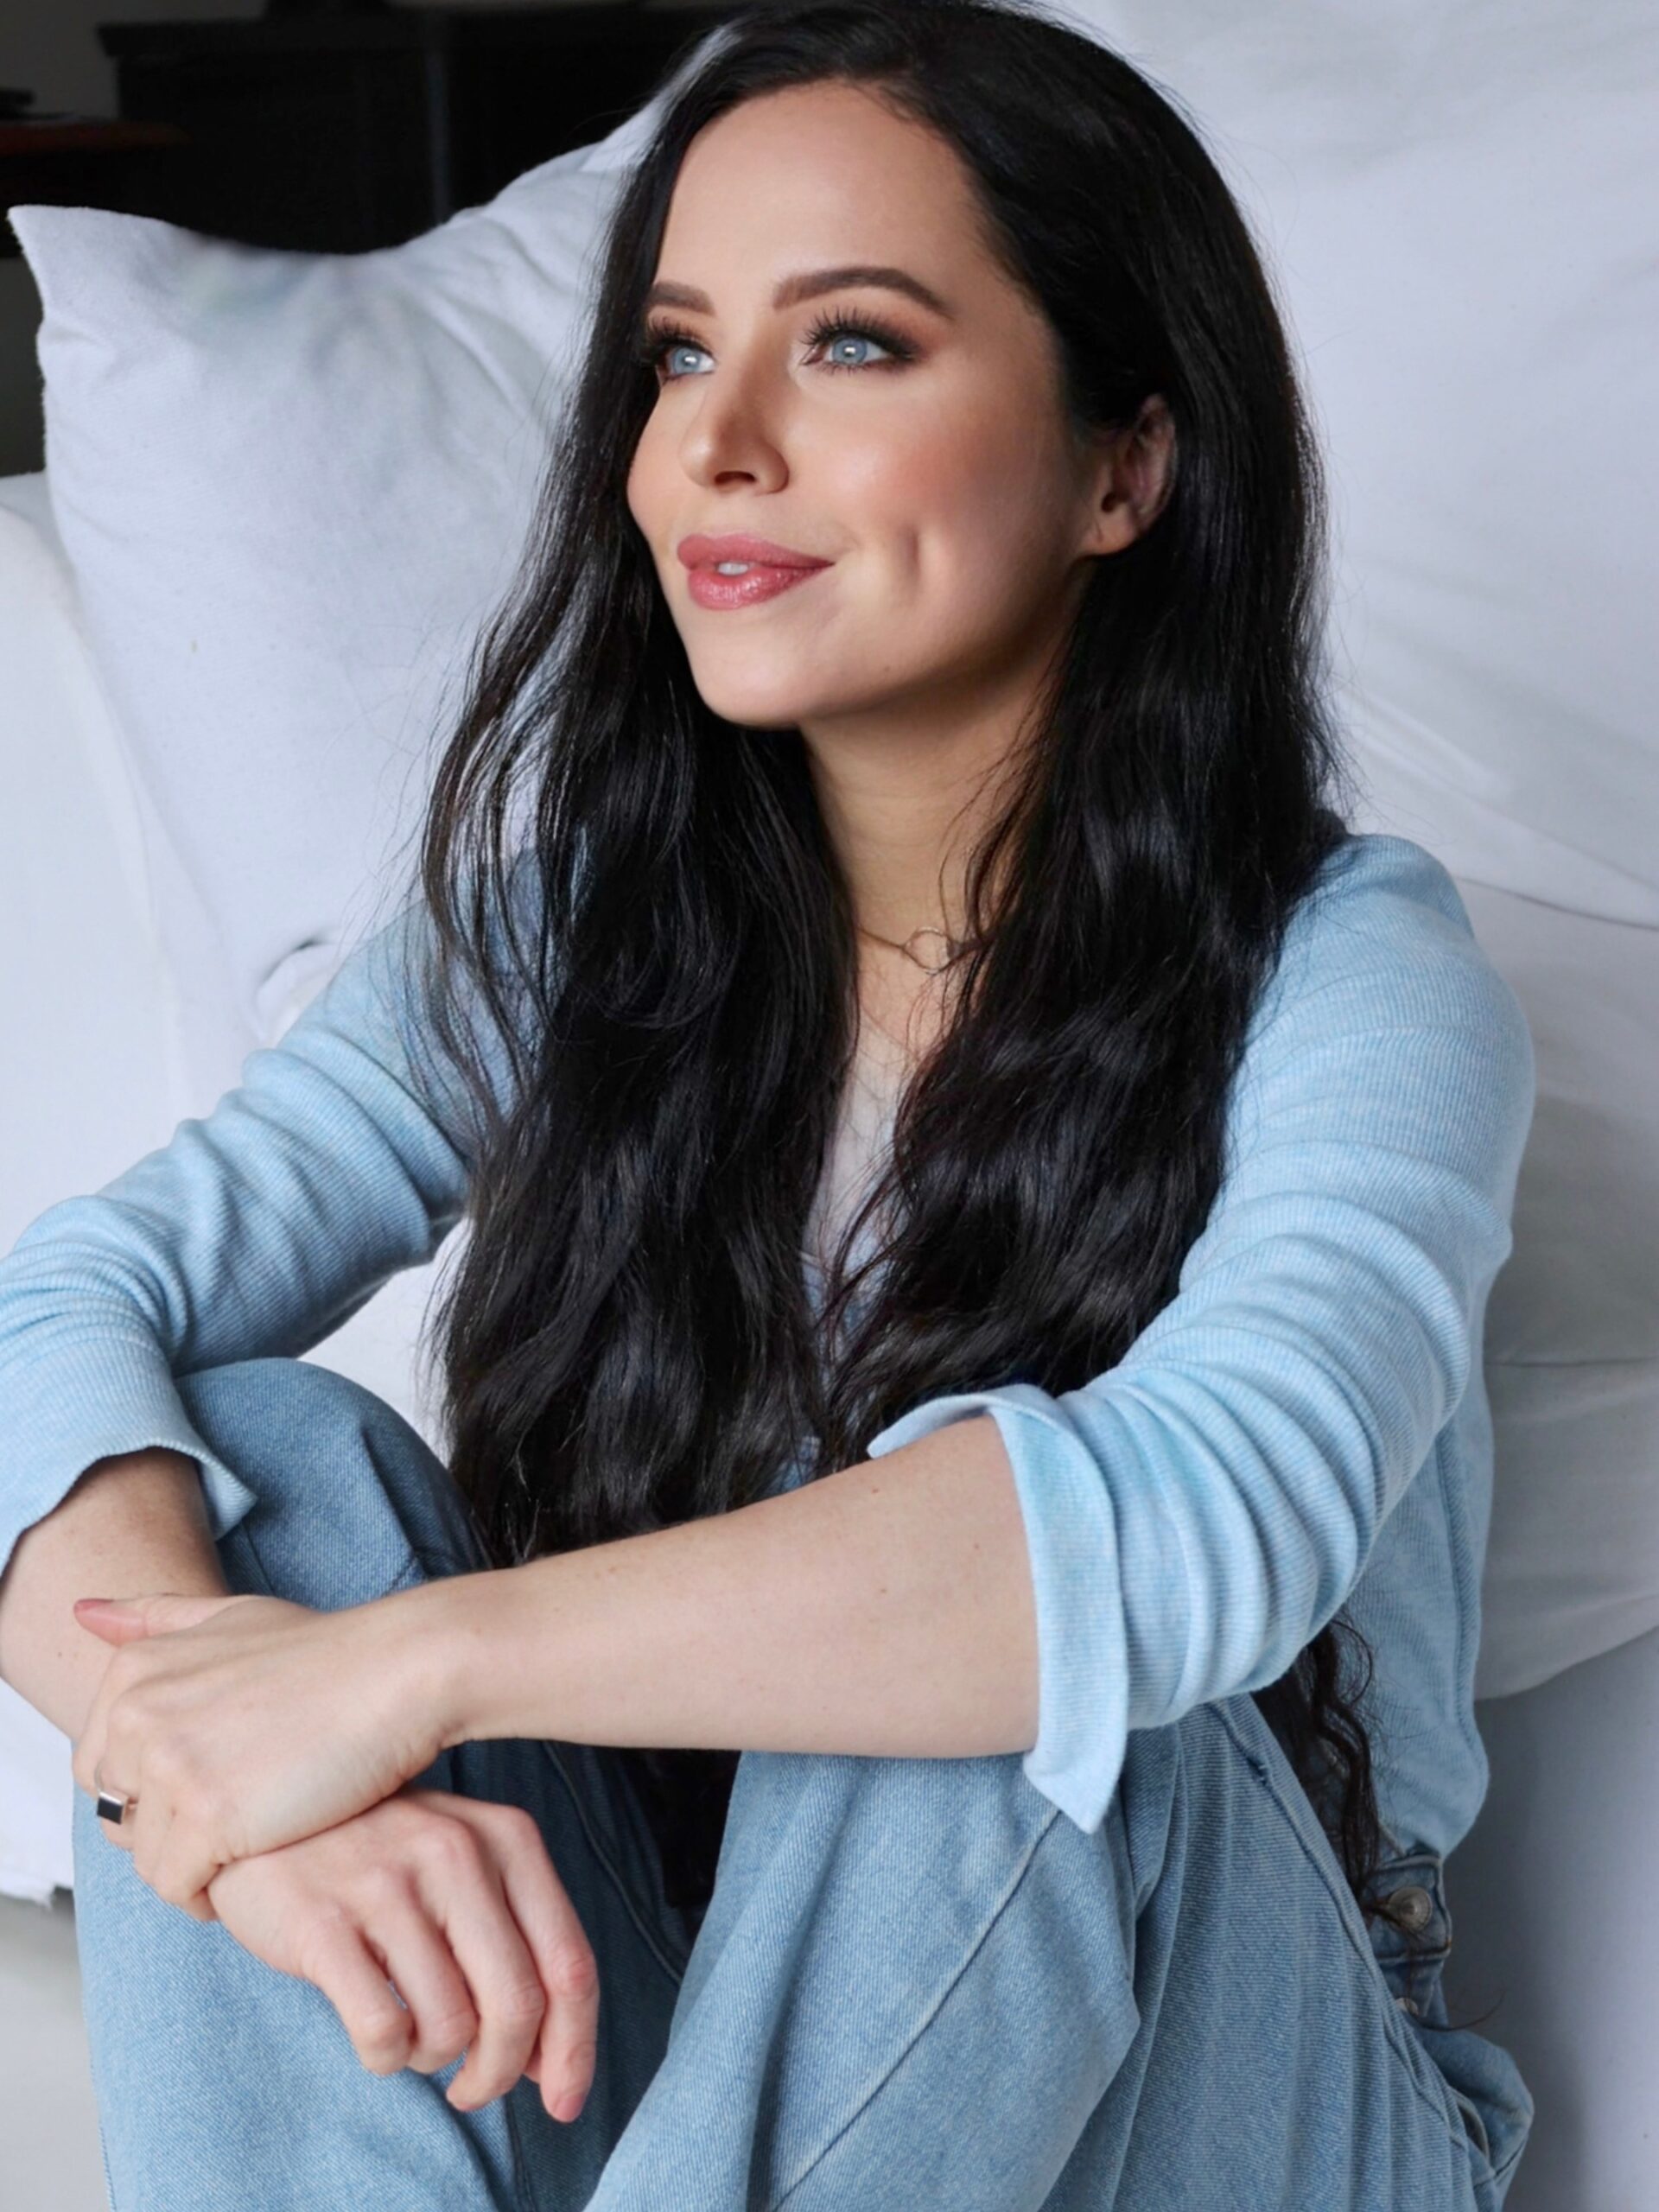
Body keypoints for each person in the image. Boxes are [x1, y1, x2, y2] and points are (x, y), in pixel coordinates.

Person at [0, 1, 1538, 2203]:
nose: (713, 445)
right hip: (695, 2041)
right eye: (674, 353)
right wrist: (230, 1787)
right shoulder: (572, 929)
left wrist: (404, 1675)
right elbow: (61, 1306)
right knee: (248, 1475)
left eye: (853, 345)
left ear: (1127, 463)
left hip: (1232, 2102)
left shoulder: (1351, 965)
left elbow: (1213, 1517)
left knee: (1011, 1621)